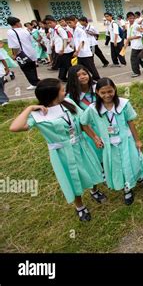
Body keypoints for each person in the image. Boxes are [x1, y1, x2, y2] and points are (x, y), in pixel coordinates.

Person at [10, 78, 106, 221]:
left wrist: (94, 137)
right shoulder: (39, 114)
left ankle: (94, 190)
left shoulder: (69, 103)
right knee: (73, 178)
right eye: (62, 90)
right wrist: (29, 108)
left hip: (80, 145)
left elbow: (82, 122)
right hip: (63, 153)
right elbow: (15, 127)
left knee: (91, 168)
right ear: (52, 94)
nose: (65, 91)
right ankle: (79, 206)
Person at [80, 77, 143, 205]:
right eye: (103, 93)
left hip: (126, 141)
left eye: (110, 91)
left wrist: (137, 140)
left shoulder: (124, 104)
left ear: (114, 89)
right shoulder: (93, 109)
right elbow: (83, 123)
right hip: (110, 146)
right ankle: (127, 189)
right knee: (119, 167)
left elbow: (130, 122)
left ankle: (140, 178)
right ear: (97, 92)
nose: (107, 95)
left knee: (134, 160)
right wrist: (95, 138)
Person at [6, 16, 40, 89]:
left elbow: (15, 46)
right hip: (31, 51)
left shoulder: (11, 32)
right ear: (17, 23)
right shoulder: (25, 30)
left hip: (22, 53)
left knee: (26, 69)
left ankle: (34, 83)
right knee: (32, 67)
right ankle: (36, 81)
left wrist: (14, 54)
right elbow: (31, 40)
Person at [65, 16, 100, 81]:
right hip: (80, 54)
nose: (69, 24)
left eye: (70, 22)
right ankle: (87, 78)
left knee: (91, 68)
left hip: (85, 53)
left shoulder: (80, 30)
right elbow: (75, 41)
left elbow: (82, 42)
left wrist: (77, 51)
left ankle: (97, 79)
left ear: (75, 21)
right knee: (81, 68)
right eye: (67, 23)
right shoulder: (73, 30)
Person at [123, 12, 143, 77]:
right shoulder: (128, 26)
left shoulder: (136, 25)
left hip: (137, 45)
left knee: (133, 59)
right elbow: (128, 36)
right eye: (130, 18)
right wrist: (126, 43)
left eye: (133, 18)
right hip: (134, 45)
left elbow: (139, 35)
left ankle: (136, 72)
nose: (132, 19)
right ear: (127, 18)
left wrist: (131, 38)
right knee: (140, 58)